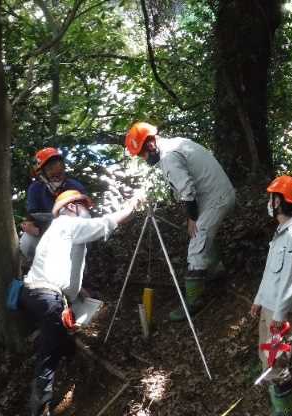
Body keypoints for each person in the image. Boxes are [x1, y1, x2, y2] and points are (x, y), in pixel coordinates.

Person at [20, 190, 143, 416]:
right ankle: (39, 408)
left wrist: (80, 292)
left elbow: (65, 268)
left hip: (38, 295)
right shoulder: (67, 224)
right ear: (72, 207)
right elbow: (105, 224)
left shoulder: (58, 231)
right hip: (48, 298)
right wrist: (131, 206)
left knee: (60, 342)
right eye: (84, 206)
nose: (87, 211)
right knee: (49, 354)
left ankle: (73, 365)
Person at [125, 121, 236, 321]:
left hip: (216, 198)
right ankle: (216, 270)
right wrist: (191, 216)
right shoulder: (177, 143)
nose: (143, 158)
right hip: (216, 193)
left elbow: (186, 189)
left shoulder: (168, 156)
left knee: (197, 240)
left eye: (142, 154)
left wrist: (192, 217)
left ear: (150, 145)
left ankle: (194, 302)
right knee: (200, 233)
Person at [250, 175, 292, 416]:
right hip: (269, 306)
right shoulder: (281, 232)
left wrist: (280, 313)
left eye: (272, 197)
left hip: (281, 312)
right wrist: (258, 299)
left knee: (276, 363)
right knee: (266, 359)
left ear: (279, 201)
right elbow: (271, 272)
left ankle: (288, 411)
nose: (269, 201)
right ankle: (280, 406)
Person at [19, 147, 86, 261]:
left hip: (73, 236)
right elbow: (32, 216)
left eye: (58, 165)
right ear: (41, 173)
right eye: (50, 168)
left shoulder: (75, 187)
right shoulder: (36, 189)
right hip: (44, 232)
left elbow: (84, 220)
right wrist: (29, 225)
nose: (56, 171)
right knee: (27, 242)